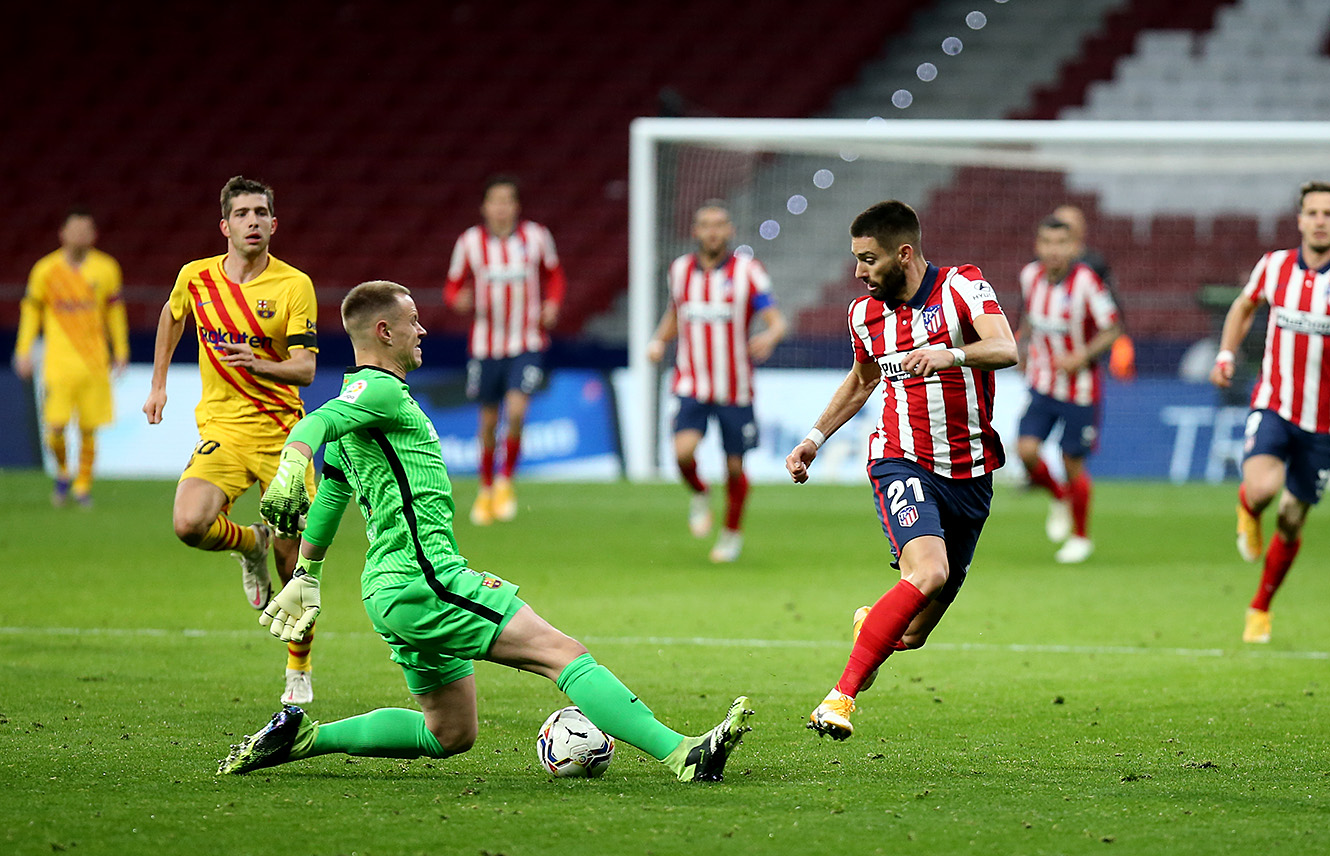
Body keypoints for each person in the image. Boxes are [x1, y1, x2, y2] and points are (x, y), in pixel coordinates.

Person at [218, 280, 752, 781]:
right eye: (412, 320)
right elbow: (317, 423)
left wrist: (307, 573)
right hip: (425, 580)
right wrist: (292, 459)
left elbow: (333, 493)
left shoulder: (363, 407)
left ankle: (304, 736)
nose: (422, 330)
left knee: (449, 733)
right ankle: (685, 754)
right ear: (384, 331)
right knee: (561, 653)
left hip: (390, 589)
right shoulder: (375, 392)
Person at [784, 201, 1018, 740]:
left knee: (911, 634)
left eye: (868, 259)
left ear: (903, 253)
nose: (859, 272)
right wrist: (813, 439)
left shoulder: (962, 286)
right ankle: (838, 698)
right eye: (856, 260)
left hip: (972, 473)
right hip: (901, 459)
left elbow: (1006, 347)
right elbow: (862, 380)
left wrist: (949, 356)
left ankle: (875, 625)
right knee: (929, 571)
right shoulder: (862, 315)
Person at [142, 176, 320, 704]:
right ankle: (250, 543)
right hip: (222, 430)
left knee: (295, 569)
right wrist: (157, 384)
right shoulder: (195, 277)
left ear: (274, 224)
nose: (253, 222)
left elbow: (306, 369)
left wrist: (260, 364)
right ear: (225, 225)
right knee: (188, 523)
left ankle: (299, 670)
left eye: (261, 213)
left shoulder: (294, 285)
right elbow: (172, 317)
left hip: (286, 439)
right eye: (242, 214)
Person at [1210, 180, 1330, 644]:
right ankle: (1248, 507)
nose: (1320, 220)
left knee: (1293, 518)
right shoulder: (1273, 266)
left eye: (1329, 214)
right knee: (1263, 487)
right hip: (1273, 402)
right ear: (1300, 219)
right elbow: (1244, 305)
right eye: (1312, 212)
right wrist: (1226, 354)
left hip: (1325, 420)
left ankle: (1260, 607)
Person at [647, 201, 787, 563]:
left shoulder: (748, 272)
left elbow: (776, 320)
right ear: (695, 231)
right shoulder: (679, 270)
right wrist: (660, 340)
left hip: (734, 388)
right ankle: (699, 491)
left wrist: (770, 337)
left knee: (735, 467)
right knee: (682, 453)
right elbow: (676, 313)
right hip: (691, 383)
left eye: (719, 225)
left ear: (729, 231)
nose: (712, 231)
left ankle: (730, 533)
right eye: (705, 225)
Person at [444, 175, 566, 526]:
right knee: (487, 421)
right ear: (485, 207)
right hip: (485, 346)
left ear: (516, 206)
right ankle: (485, 489)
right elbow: (452, 287)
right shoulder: (469, 242)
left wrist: (553, 304)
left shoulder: (536, 237)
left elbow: (555, 276)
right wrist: (459, 300)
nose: (501, 207)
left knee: (515, 412)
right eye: (495, 201)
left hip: (526, 341)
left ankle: (505, 481)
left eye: (507, 200)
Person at [1014, 216, 1123, 564]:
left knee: (1071, 461)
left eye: (1062, 244)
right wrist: (1021, 346)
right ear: (1038, 246)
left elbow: (1112, 328)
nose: (1054, 250)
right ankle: (1059, 496)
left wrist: (1082, 356)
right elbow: (1029, 317)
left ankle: (1080, 537)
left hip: (1080, 390)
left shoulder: (1087, 283)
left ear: (1075, 248)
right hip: (1043, 383)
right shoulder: (1030, 276)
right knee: (1026, 451)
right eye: (1047, 243)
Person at [12, 207, 128, 507]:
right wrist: (23, 348)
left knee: (89, 428)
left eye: (85, 230)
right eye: (74, 229)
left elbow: (115, 312)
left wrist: (122, 350)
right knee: (55, 429)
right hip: (58, 365)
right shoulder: (45, 270)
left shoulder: (106, 268)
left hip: (94, 363)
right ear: (62, 233)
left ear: (94, 235)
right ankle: (63, 472)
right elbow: (31, 310)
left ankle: (82, 487)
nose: (80, 235)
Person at [1052, 205, 1135, 382]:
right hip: (1050, 348)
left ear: (1081, 232)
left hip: (1088, 345)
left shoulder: (1094, 263)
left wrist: (1120, 340)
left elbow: (1113, 305)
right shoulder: (1036, 269)